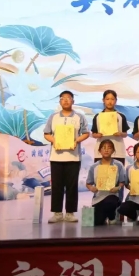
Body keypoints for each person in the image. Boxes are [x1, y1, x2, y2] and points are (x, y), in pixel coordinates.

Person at [43, 90, 90, 223]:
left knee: (72, 185)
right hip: (56, 157)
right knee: (57, 186)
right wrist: (54, 141)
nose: (65, 100)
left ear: (73, 101)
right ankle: (57, 213)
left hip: (73, 157)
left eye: (68, 98)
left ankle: (70, 213)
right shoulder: (53, 117)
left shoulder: (79, 117)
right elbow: (46, 133)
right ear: (60, 101)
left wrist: (76, 141)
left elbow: (86, 133)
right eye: (63, 98)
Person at [86, 139, 126, 226]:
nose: (106, 150)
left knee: (110, 202)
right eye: (104, 148)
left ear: (113, 150)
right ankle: (105, 215)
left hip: (113, 196)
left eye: (109, 148)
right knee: (97, 222)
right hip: (98, 198)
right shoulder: (94, 166)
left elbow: (122, 182)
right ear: (99, 150)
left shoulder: (118, 165)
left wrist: (118, 188)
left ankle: (112, 217)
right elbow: (88, 183)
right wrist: (91, 188)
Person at [91, 90, 129, 164]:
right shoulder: (98, 116)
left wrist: (120, 134)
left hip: (118, 152)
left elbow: (125, 134)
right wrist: (97, 135)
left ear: (116, 101)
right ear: (103, 100)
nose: (110, 102)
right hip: (101, 153)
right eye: (107, 99)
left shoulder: (121, 116)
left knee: (118, 171)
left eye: (112, 99)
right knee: (100, 171)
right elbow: (93, 134)